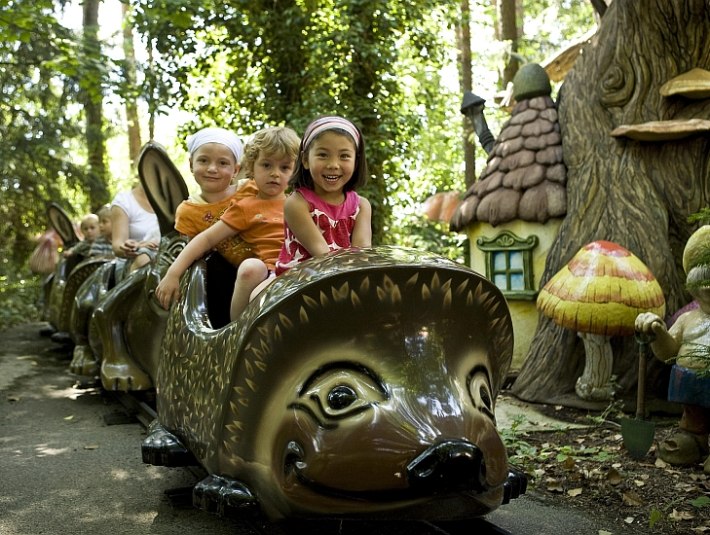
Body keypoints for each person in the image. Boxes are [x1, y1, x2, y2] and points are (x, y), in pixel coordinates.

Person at [155, 126, 300, 320]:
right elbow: (203, 240)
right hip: (258, 270)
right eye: (266, 166)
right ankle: (237, 331)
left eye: (284, 168)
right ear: (252, 169)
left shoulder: (298, 202)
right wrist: (173, 273)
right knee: (250, 269)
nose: (275, 174)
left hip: (301, 265)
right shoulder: (245, 206)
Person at [636, 225, 710, 472]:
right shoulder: (688, 319)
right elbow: (668, 351)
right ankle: (693, 439)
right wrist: (658, 332)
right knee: (690, 425)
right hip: (692, 396)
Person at [274, 115, 372, 276]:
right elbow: (322, 255)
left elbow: (361, 255)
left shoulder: (361, 206)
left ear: (356, 161)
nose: (333, 165)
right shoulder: (297, 203)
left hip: (344, 277)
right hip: (297, 281)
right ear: (305, 160)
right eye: (323, 155)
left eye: (344, 156)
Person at [110, 181, 160, 272]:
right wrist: (137, 246)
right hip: (133, 263)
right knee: (144, 259)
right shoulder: (124, 200)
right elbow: (117, 246)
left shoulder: (170, 199)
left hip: (167, 256)